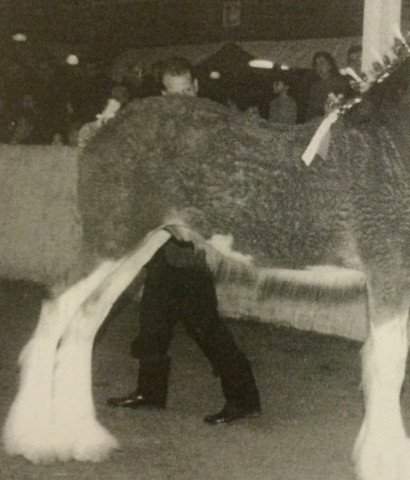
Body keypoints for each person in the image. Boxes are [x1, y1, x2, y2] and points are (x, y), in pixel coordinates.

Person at [107, 56, 261, 425]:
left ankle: (244, 397)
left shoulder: (214, 127)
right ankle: (151, 392)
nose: (181, 99)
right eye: (172, 94)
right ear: (164, 94)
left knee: (204, 324)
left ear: (196, 88)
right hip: (162, 238)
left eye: (186, 91)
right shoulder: (161, 127)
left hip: (192, 240)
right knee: (153, 319)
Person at [305, 51, 348, 120]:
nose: (319, 67)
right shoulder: (315, 86)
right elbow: (311, 110)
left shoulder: (339, 82)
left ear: (330, 65)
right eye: (316, 64)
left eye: (322, 63)